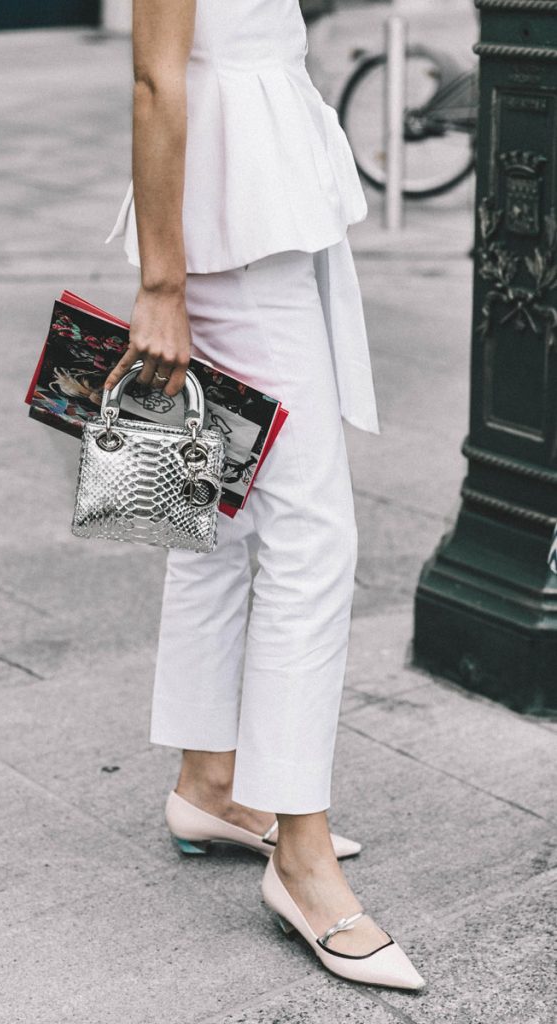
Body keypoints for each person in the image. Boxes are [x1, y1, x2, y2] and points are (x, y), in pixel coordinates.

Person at [104, 0, 425, 992]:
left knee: (224, 515)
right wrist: (162, 286)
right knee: (309, 535)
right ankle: (300, 854)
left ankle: (209, 779)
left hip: (259, 187)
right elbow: (155, 72)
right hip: (232, 212)